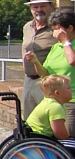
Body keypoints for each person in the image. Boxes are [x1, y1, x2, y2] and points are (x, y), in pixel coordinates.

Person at [24, 8, 75, 136]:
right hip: (56, 102)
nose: (54, 34)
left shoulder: (66, 45)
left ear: (70, 28)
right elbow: (46, 74)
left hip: (72, 102)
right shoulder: (56, 47)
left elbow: (72, 61)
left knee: (68, 139)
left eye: (57, 29)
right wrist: (35, 62)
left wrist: (65, 42)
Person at [22, 0, 55, 120]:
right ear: (30, 8)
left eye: (43, 6)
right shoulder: (27, 27)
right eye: (35, 6)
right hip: (28, 80)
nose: (39, 9)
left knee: (46, 121)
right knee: (29, 121)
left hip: (47, 82)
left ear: (51, 7)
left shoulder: (56, 28)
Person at [26, 75, 74, 140]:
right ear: (57, 93)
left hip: (33, 137)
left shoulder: (47, 102)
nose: (72, 89)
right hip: (40, 140)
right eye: (68, 88)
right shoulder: (55, 107)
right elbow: (61, 135)